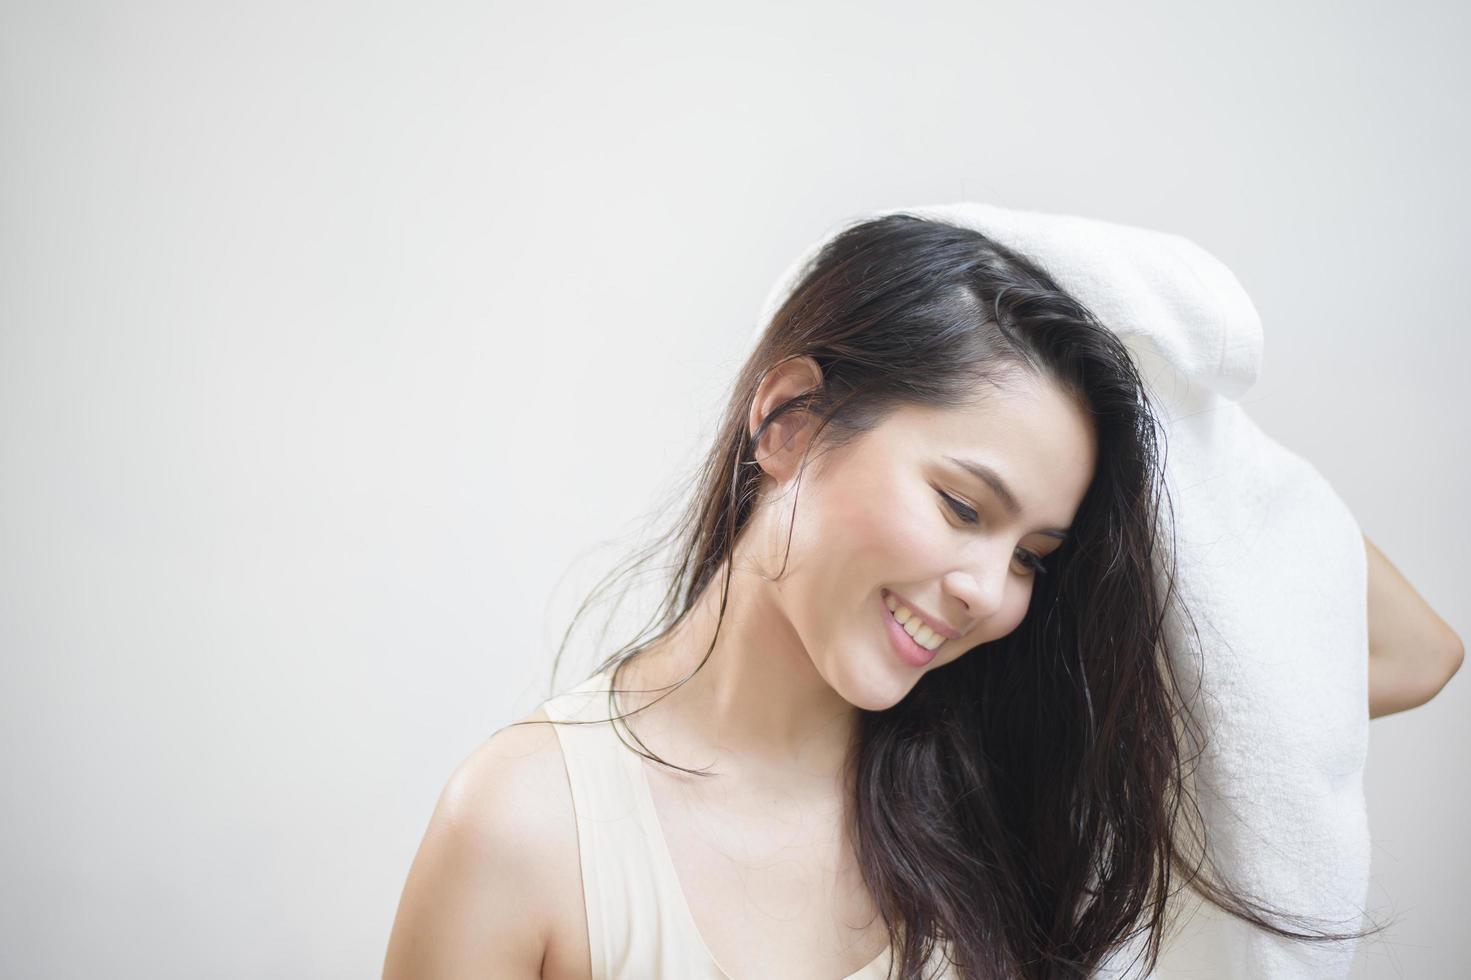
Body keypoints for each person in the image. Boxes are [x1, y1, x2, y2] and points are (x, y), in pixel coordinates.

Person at [382, 214, 1461, 979]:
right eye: (960, 505)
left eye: (1035, 552)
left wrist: (1173, 403)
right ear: (790, 420)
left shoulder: (1003, 775)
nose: (990, 593)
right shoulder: (526, 824)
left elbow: (1415, 655)